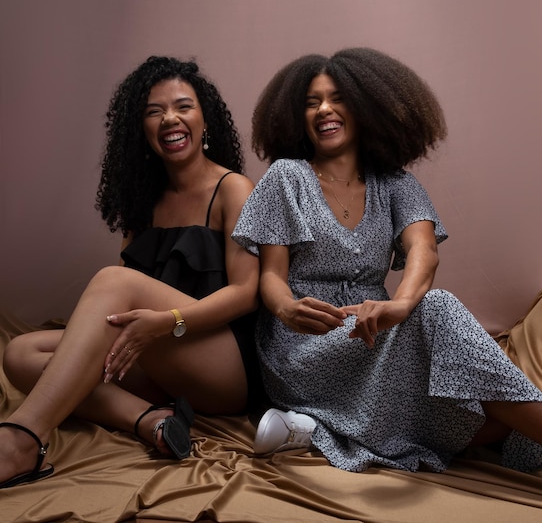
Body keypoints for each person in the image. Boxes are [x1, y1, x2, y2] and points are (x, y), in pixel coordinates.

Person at [232, 47, 542, 474]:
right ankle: (313, 418)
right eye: (311, 102)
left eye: (338, 98)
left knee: (469, 393)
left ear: (366, 107)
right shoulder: (288, 177)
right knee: (439, 313)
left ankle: (312, 428)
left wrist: (399, 306)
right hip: (303, 345)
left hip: (371, 333)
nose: (324, 109)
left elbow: (423, 251)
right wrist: (286, 308)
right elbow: (271, 276)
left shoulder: (395, 183)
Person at [0, 56, 260, 489]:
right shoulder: (146, 202)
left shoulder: (233, 188)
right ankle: (149, 421)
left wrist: (165, 323)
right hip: (159, 357)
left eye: (182, 107)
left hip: (227, 366)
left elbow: (247, 293)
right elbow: (116, 309)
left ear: (205, 120)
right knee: (21, 354)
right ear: (140, 130)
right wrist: (137, 336)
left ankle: (22, 441)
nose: (169, 119)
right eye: (153, 112)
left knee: (112, 281)